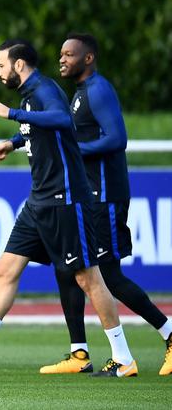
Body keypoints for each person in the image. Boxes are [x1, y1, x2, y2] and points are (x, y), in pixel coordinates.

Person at [0, 39, 136, 377]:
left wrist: (10, 114)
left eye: (1, 66)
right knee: (6, 267)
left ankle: (123, 356)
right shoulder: (31, 95)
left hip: (65, 198)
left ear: (19, 65)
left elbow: (60, 120)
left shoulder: (44, 90)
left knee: (88, 277)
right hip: (39, 199)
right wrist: (14, 142)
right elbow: (41, 127)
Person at [43, 34, 172, 376]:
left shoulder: (98, 90)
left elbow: (117, 139)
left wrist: (72, 153)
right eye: (61, 54)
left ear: (88, 59)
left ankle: (168, 334)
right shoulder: (80, 94)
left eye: (69, 54)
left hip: (107, 196)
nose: (62, 60)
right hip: (91, 195)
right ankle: (80, 353)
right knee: (71, 269)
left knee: (109, 276)